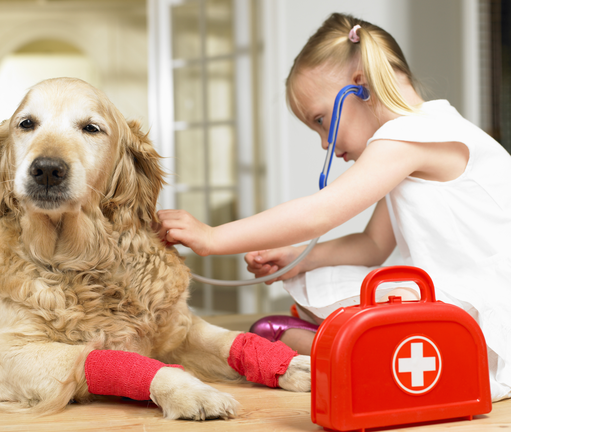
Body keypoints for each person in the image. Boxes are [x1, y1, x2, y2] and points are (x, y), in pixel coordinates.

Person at [156, 13, 510, 402]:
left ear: (359, 88)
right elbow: (373, 244)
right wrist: (300, 259)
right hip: (465, 297)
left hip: (488, 315)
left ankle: (346, 353)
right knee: (317, 298)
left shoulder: (409, 137)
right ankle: (341, 346)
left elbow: (321, 212)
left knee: (285, 328)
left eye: (321, 120)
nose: (325, 143)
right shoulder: (428, 130)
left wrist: (212, 237)